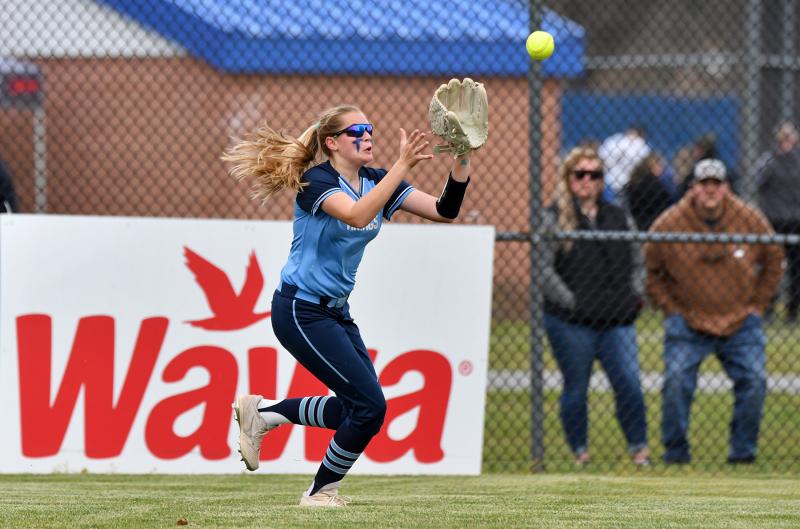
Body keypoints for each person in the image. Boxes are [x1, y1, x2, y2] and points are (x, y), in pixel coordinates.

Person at [221, 104, 475, 506]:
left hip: (334, 312)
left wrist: (462, 156)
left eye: (370, 128)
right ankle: (321, 491)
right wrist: (401, 166)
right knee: (369, 407)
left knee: (359, 410)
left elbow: (445, 210)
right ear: (332, 143)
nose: (368, 135)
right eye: (358, 130)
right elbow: (357, 215)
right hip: (299, 310)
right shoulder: (316, 180)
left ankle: (265, 414)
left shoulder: (374, 180)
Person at [645, 159, 784, 464]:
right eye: (703, 184)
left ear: (726, 188)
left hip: (740, 321)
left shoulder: (748, 218)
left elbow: (775, 258)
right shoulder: (670, 222)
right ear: (693, 188)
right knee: (676, 381)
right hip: (688, 321)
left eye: (716, 184)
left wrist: (758, 305)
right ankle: (676, 453)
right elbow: (651, 270)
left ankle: (742, 454)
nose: (710, 190)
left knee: (756, 381)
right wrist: (670, 309)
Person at [542, 146, 650, 467]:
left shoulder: (618, 216)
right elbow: (544, 271)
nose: (587, 180)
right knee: (576, 386)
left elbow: (637, 261)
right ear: (569, 178)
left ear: (603, 179)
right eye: (580, 174)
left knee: (629, 381)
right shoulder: (553, 218)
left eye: (595, 174)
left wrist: (635, 295)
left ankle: (639, 449)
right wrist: (572, 301)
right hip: (570, 321)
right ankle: (580, 452)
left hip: (616, 318)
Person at [757, 121, 800, 322]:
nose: (786, 143)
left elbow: (759, 183)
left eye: (788, 138)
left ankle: (791, 311)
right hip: (775, 219)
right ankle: (770, 308)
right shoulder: (770, 160)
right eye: (783, 139)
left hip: (792, 220)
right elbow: (759, 182)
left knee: (794, 268)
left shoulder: (771, 160)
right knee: (773, 264)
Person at [598, 125, 651, 204]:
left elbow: (601, 156)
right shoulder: (642, 146)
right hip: (628, 185)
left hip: (608, 182)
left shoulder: (614, 140)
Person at [624, 153, 674, 231]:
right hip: (656, 225)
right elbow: (668, 202)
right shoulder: (655, 185)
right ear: (652, 166)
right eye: (659, 165)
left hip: (640, 224)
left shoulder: (634, 183)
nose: (662, 169)